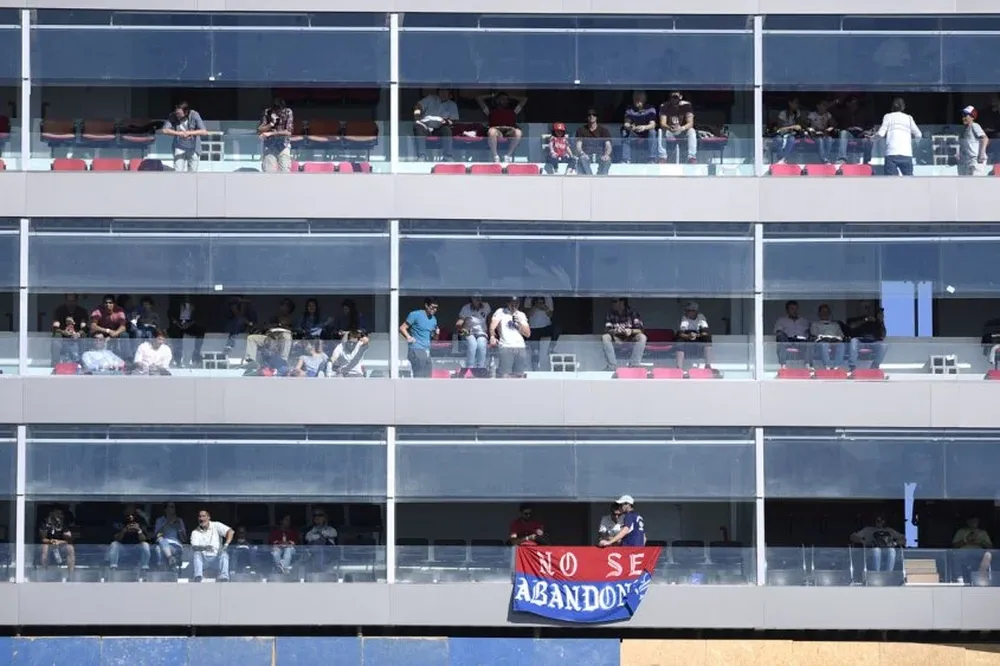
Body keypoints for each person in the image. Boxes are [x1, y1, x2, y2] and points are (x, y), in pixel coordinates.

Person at [877, 97, 921, 176]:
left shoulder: (888, 116)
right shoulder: (909, 118)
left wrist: (872, 138)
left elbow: (881, 134)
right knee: (909, 181)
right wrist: (915, 144)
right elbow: (918, 134)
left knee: (892, 182)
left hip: (891, 153)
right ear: (903, 107)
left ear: (892, 107)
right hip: (906, 153)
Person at [489, 296, 530, 378]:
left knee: (519, 374)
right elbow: (492, 326)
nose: (515, 305)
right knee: (505, 374)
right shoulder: (500, 312)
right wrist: (492, 336)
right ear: (508, 303)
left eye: (517, 303)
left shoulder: (521, 315)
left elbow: (527, 334)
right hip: (506, 346)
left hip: (520, 346)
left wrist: (519, 323)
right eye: (512, 303)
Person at [413, 88, 459, 161]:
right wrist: (417, 118)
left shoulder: (452, 105)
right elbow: (418, 106)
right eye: (441, 91)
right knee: (418, 127)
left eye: (445, 91)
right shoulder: (431, 98)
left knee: (447, 130)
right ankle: (422, 156)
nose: (443, 93)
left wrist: (445, 121)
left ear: (450, 94)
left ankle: (447, 157)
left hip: (439, 128)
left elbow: (454, 121)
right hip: (425, 127)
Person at [161, 101, 208, 172]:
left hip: (193, 148)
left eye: (179, 113)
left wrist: (189, 133)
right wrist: (179, 133)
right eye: (176, 113)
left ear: (186, 112)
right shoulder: (173, 116)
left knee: (192, 172)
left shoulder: (194, 115)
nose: (177, 115)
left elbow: (204, 131)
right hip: (179, 147)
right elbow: (164, 130)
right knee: (178, 171)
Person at [400, 298, 439, 378]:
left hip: (427, 351)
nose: (434, 310)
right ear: (426, 305)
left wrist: (436, 334)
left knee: (428, 377)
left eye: (436, 308)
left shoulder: (434, 319)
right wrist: (409, 337)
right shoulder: (415, 314)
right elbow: (402, 328)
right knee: (419, 377)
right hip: (416, 349)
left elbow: (434, 339)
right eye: (432, 307)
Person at [258, 97, 294, 173]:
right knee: (269, 171)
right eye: (277, 109)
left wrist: (271, 133)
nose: (280, 112)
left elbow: (288, 131)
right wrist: (271, 123)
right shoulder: (267, 112)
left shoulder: (288, 112)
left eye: (281, 109)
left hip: (284, 145)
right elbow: (260, 129)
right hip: (270, 145)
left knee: (285, 170)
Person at [456, 296, 492, 370]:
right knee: (472, 343)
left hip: (481, 332)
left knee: (481, 344)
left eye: (479, 297)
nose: (478, 299)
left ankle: (480, 368)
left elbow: (489, 320)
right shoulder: (466, 308)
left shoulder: (486, 306)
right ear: (471, 299)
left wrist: (490, 334)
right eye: (475, 297)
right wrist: (462, 323)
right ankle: (470, 368)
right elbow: (458, 324)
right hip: (468, 331)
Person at [959, 106, 989, 176]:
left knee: (975, 183)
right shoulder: (966, 129)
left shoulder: (974, 125)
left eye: (965, 115)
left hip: (976, 160)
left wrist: (981, 154)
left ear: (972, 116)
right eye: (962, 115)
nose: (963, 117)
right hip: (969, 160)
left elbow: (985, 138)